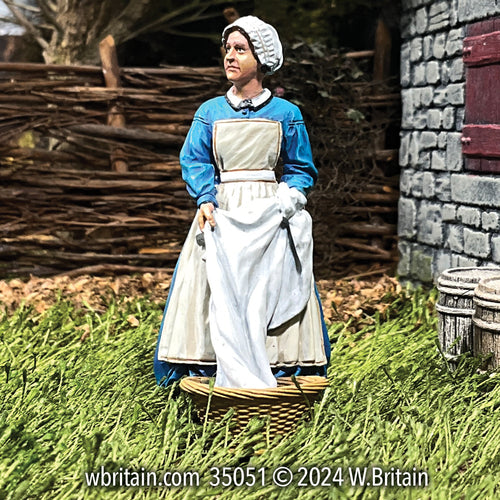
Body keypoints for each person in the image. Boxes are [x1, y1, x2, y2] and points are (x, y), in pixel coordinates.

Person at [154, 15, 330, 389]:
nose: (230, 56)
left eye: (240, 49)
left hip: (268, 211)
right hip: (223, 210)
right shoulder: (210, 113)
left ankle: (279, 373)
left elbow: (301, 167)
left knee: (269, 284)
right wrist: (205, 197)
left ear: (261, 59)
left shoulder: (287, 115)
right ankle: (207, 372)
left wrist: (289, 198)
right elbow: (195, 159)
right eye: (228, 49)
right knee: (211, 285)